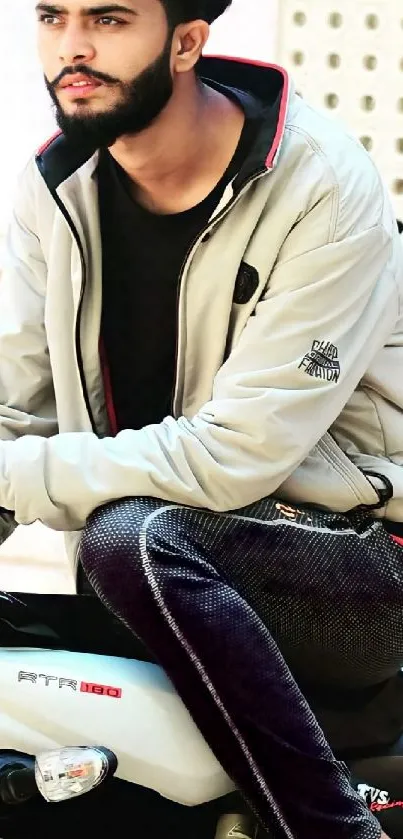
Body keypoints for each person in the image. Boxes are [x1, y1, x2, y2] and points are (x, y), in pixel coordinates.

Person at [0, 0, 402, 835]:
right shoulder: (52, 188)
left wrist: (13, 477)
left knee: (136, 535)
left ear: (185, 41)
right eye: (52, 16)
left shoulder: (320, 183)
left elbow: (237, 455)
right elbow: (13, 408)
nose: (71, 46)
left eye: (108, 19)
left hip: (357, 568)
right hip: (155, 573)